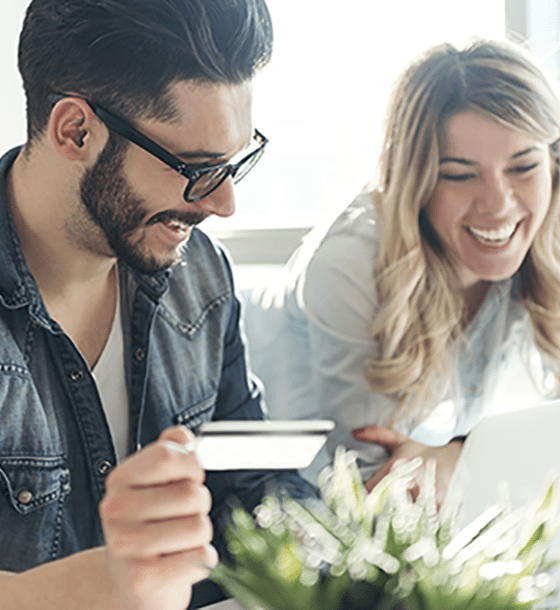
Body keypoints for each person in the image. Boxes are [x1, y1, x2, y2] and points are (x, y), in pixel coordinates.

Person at [0, 1, 317, 609]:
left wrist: (345, 553)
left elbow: (254, 480)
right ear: (76, 131)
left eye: (234, 162)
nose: (223, 205)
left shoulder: (199, 276)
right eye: (196, 169)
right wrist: (94, 589)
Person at [242, 38, 560, 505]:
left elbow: (431, 468)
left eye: (523, 166)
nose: (499, 204)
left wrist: (455, 454)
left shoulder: (546, 229)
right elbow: (378, 481)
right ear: (416, 179)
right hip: (263, 475)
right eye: (459, 173)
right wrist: (455, 458)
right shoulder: (352, 262)